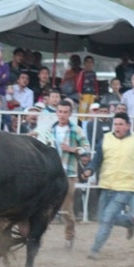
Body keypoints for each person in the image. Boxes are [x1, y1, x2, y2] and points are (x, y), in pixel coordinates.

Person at [82, 112, 134, 260]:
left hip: (126, 186)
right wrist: (89, 170)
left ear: (128, 126)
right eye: (115, 124)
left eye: (120, 124)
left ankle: (94, 250)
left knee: (107, 217)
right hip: (106, 184)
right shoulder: (106, 139)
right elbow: (97, 159)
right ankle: (130, 222)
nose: (117, 127)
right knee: (102, 217)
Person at [48, 100, 90, 250]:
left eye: (65, 112)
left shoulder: (76, 130)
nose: (62, 115)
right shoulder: (50, 129)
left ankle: (69, 235)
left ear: (70, 114)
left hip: (69, 173)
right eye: (60, 112)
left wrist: (72, 149)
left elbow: (86, 148)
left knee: (66, 209)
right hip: (51, 173)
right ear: (57, 112)